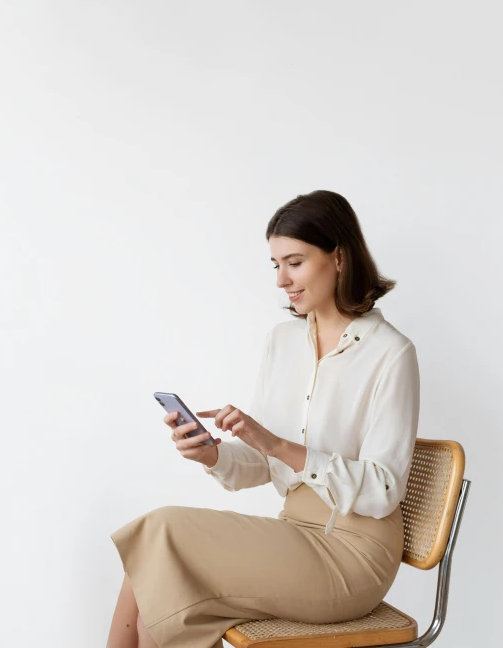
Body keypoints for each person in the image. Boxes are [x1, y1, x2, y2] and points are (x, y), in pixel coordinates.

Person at [106, 189, 420, 648]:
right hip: (295, 535)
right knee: (157, 567)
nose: (281, 281)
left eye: (294, 262)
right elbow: (262, 466)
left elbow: (382, 491)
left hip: (353, 555)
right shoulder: (282, 342)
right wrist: (211, 454)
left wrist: (277, 445)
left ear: (339, 257)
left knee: (162, 534)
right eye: (276, 265)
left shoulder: (391, 353)